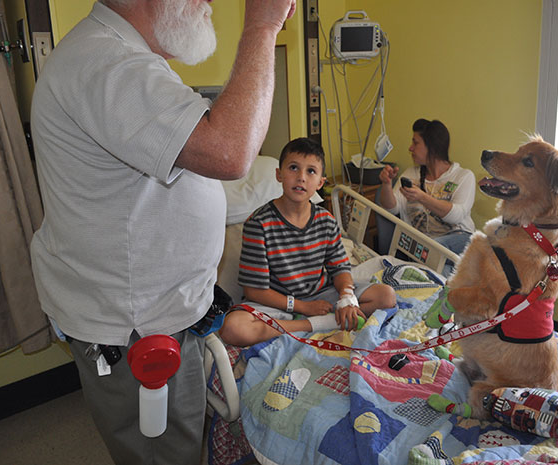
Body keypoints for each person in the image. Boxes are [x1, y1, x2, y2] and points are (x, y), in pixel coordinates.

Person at [28, 0, 296, 464]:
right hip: (137, 328)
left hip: (154, 314)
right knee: (164, 454)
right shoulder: (107, 63)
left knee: (173, 442)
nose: (207, 2)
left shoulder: (128, 60)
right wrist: (262, 24)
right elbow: (231, 151)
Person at [218, 138, 397, 347]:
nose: (301, 177)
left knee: (386, 296)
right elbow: (254, 291)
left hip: (322, 294)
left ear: (321, 182)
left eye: (311, 171)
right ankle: (320, 323)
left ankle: (308, 322)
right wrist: (303, 307)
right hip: (276, 301)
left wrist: (347, 298)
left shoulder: (326, 220)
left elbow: (339, 269)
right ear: (279, 174)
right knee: (233, 328)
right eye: (293, 168)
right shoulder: (259, 224)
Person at [378, 118, 476, 275]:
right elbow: (391, 208)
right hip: (422, 250)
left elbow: (455, 216)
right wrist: (386, 184)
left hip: (456, 241)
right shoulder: (411, 174)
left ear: (432, 147)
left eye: (415, 143)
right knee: (440, 270)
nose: (410, 148)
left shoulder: (463, 176)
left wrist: (422, 197)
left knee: (433, 251)